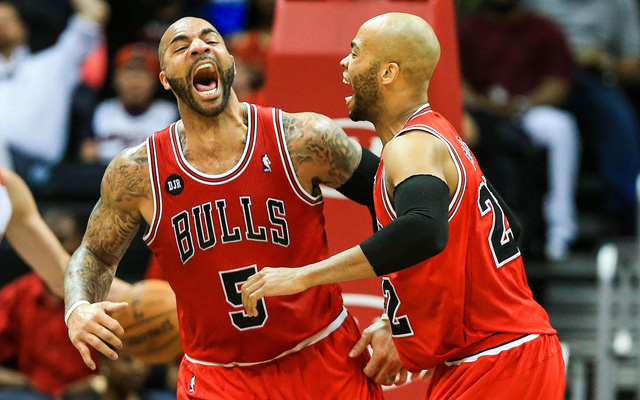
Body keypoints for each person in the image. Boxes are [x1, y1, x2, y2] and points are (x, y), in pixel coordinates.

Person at [64, 16, 400, 399]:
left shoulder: (302, 138)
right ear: (165, 79)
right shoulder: (137, 173)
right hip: (219, 378)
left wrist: (397, 316)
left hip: (320, 356)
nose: (198, 47)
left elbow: (401, 205)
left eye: (211, 39)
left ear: (230, 62)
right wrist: (78, 308)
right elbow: (93, 254)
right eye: (180, 46)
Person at [241, 12, 565, 399]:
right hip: (491, 357)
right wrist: (399, 322)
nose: (344, 64)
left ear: (388, 73)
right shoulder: (440, 137)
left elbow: (424, 228)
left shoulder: (410, 145)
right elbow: (505, 225)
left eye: (356, 54)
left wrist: (302, 276)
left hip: (498, 359)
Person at [459, 0, 580, 261]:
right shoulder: (468, 29)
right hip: (482, 115)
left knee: (561, 127)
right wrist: (483, 105)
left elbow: (558, 84)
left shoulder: (544, 29)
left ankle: (561, 229)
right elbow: (455, 80)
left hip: (527, 110)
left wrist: (522, 104)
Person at [526, 0, 640, 235]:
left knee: (617, 117)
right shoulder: (535, 3)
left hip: (595, 77)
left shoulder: (620, 4)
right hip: (537, 77)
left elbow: (633, 64)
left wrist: (603, 61)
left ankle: (625, 207)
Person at [0, 0, 109, 185]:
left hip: (38, 176)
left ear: (23, 27)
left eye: (8, 20)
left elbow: (96, 12)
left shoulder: (54, 65)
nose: (1, 26)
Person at [81, 43, 178, 165]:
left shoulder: (170, 114)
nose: (134, 83)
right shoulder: (103, 110)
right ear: (115, 79)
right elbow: (87, 153)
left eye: (142, 75)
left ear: (156, 81)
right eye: (128, 74)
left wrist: (108, 151)